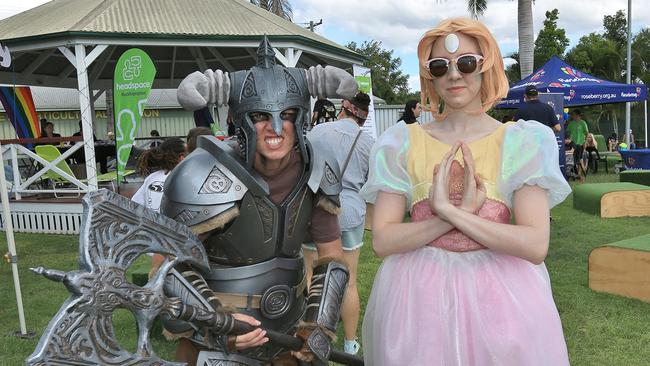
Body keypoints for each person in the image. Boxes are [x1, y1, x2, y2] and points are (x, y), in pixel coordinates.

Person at [360, 18, 571, 366]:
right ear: (429, 75)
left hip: (503, 304)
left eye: (466, 63)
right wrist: (448, 216)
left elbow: (535, 245)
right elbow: (383, 241)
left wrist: (454, 213)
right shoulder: (400, 143)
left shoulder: (521, 142)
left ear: (486, 65)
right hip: (417, 307)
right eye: (440, 67)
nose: (454, 75)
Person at [161, 36, 358, 365]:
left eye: (289, 114)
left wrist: (318, 327)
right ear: (240, 120)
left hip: (288, 330)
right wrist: (219, 324)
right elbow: (171, 268)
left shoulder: (317, 167)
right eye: (259, 116)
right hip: (214, 337)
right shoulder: (202, 172)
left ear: (302, 118)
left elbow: (331, 258)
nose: (276, 128)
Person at [303, 92, 373, 355]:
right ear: (363, 118)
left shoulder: (317, 131)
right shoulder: (369, 142)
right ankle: (350, 342)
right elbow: (370, 183)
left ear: (344, 108)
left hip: (317, 210)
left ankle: (313, 340)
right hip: (352, 212)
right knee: (350, 281)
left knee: (311, 279)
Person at [131, 137, 187, 277]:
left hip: (152, 241)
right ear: (181, 158)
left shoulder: (152, 177)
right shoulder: (182, 178)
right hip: (171, 244)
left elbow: (135, 204)